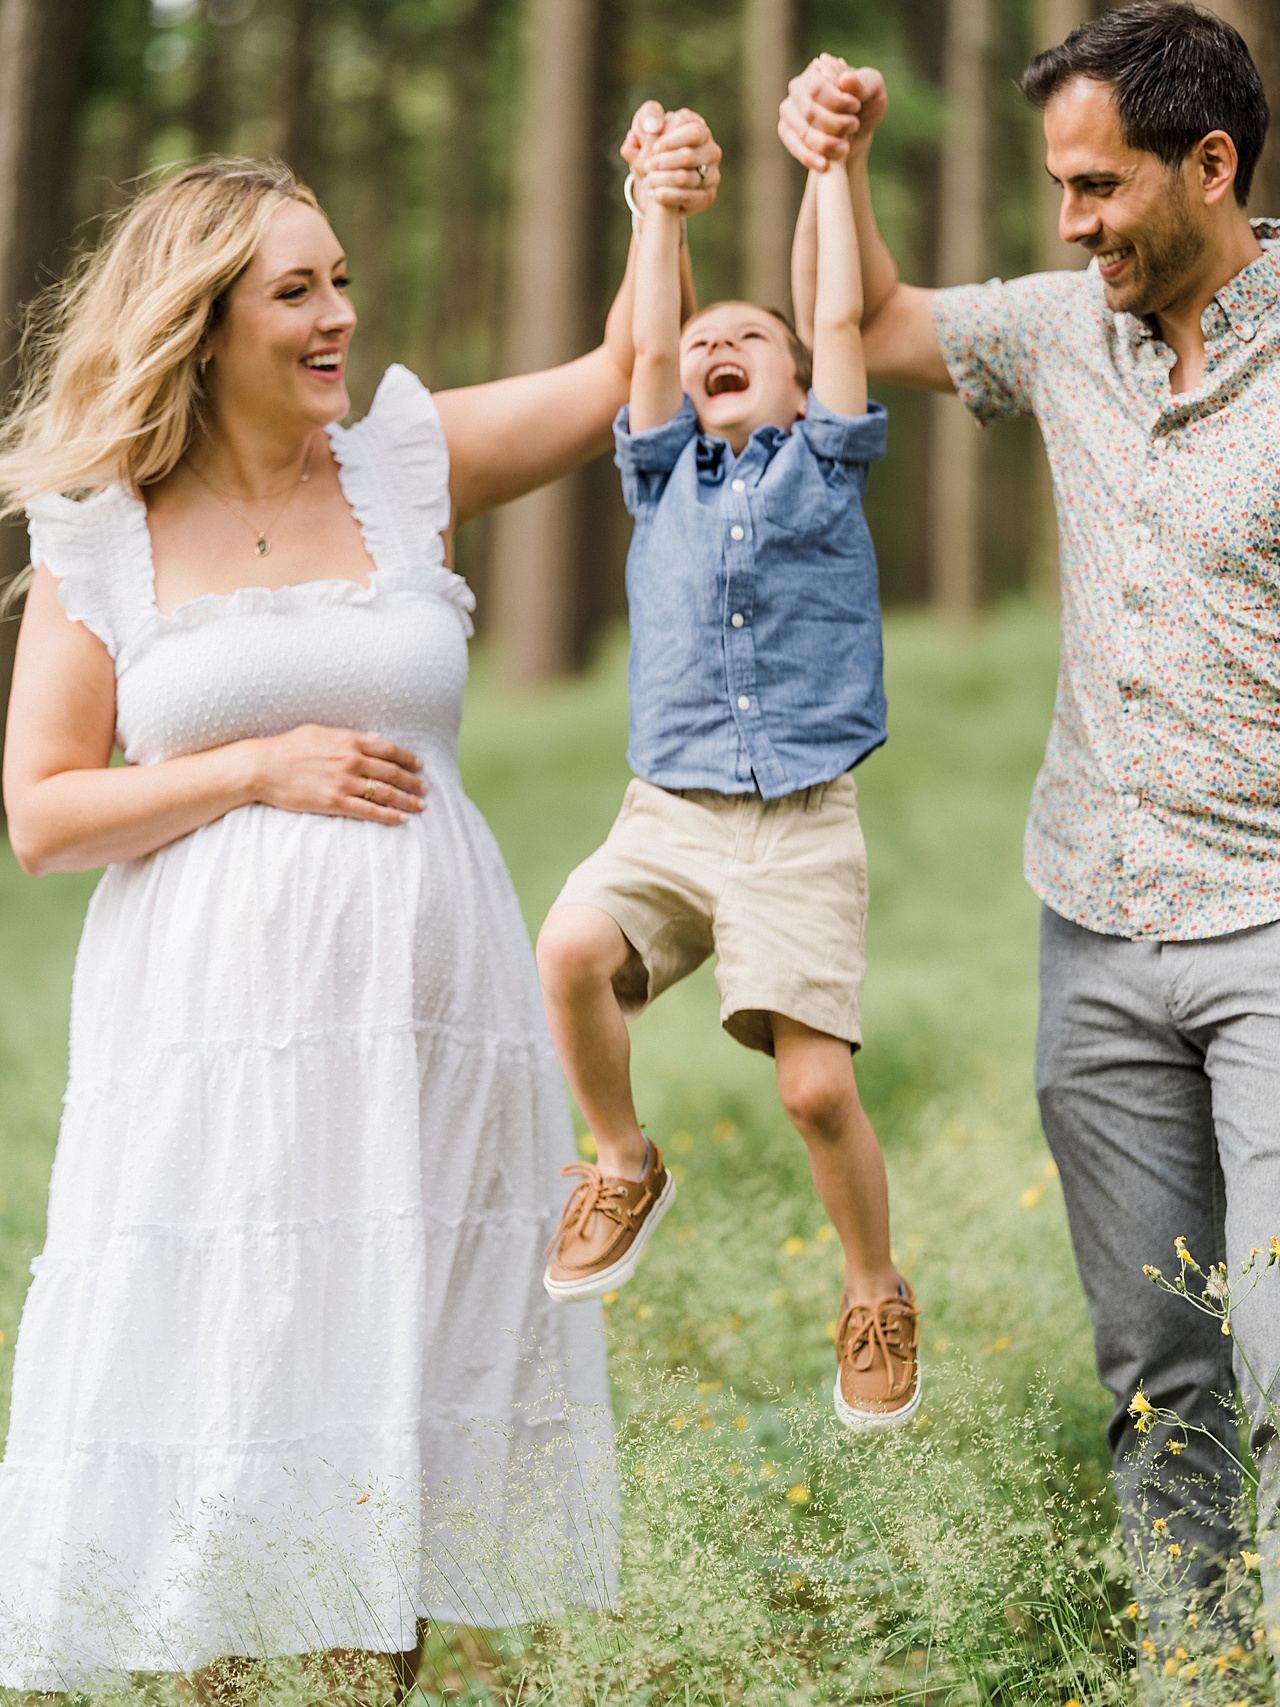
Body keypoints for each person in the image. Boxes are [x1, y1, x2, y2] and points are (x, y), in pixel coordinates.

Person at [0, 111, 720, 1697]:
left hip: (423, 1019)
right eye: (295, 295)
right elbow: (43, 815)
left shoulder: (403, 465)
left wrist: (654, 206)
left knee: (389, 1366)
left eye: (342, 283)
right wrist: (253, 769)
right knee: (228, 1373)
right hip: (212, 1038)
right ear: (201, 323)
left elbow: (621, 375)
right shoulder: (104, 531)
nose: (338, 318)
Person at [778, 0, 1280, 1665]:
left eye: (1096, 187)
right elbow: (866, 317)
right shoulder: (1071, 331)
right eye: (1059, 191)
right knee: (1155, 1360)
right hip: (1095, 931)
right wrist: (832, 168)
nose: (1070, 227)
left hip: (1272, 925)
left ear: (1211, 165)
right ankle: (1196, 1674)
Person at [536, 118, 921, 1433]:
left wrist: (830, 165)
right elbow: (648, 342)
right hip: (670, 812)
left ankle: (873, 1289)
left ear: (808, 387)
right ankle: (622, 1163)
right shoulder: (661, 479)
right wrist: (657, 205)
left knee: (815, 1089)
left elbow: (833, 307)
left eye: (750, 342)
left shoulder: (830, 457)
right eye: (709, 347)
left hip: (802, 820)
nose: (716, 352)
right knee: (570, 947)